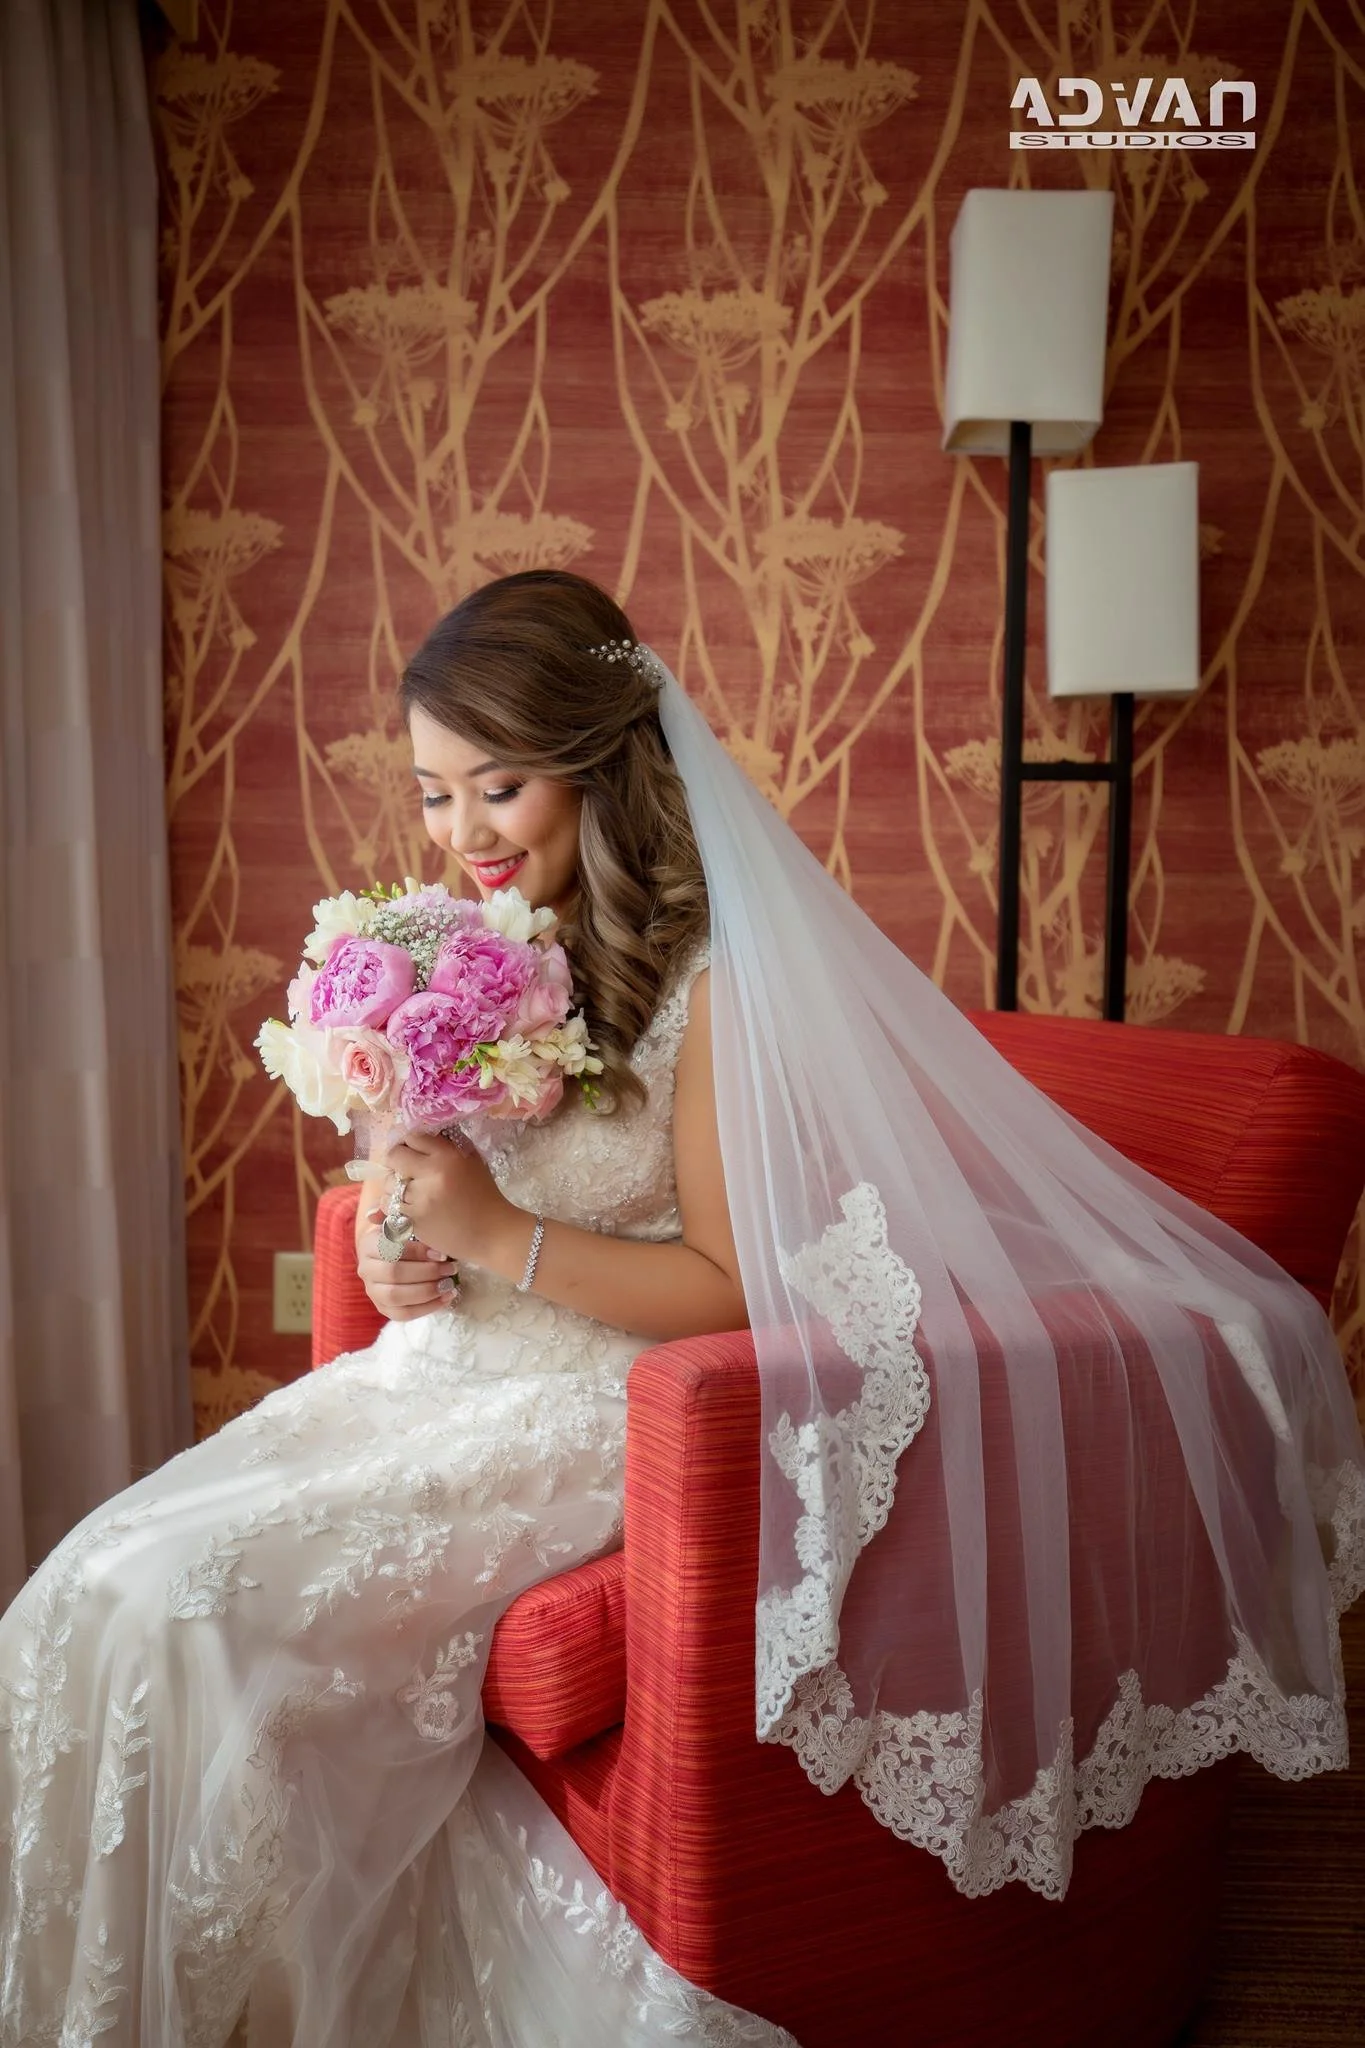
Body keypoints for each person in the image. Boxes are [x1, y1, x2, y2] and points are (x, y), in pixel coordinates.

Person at [2, 569, 1363, 2045]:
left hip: (604, 1407)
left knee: (185, 1622)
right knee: (92, 1585)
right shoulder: (484, 958)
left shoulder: (714, 978)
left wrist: (504, 1235)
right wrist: (412, 1252)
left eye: (499, 787)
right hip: (449, 1366)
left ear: (596, 765)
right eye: (432, 793)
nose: (461, 838)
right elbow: (448, 1209)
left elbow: (728, 1287)